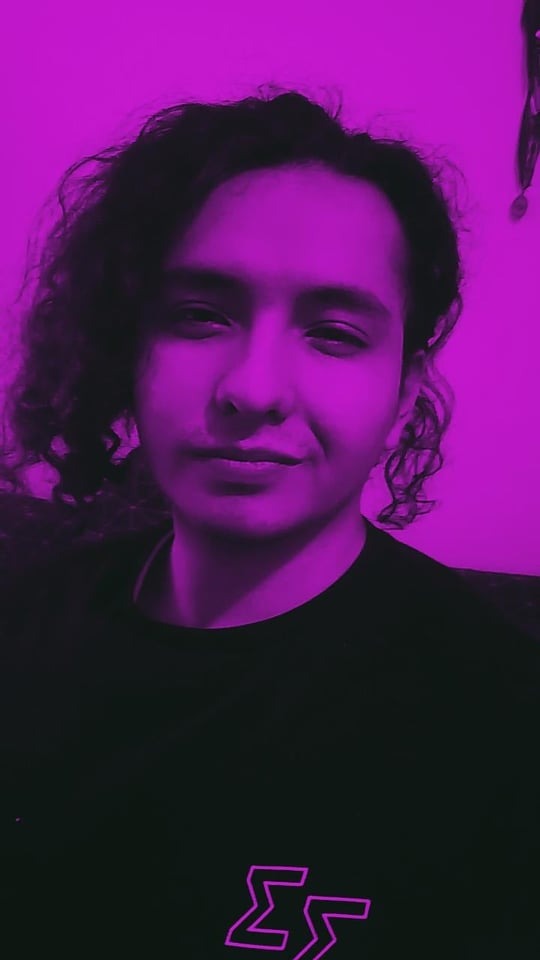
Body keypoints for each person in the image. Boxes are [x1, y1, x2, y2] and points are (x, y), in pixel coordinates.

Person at [0, 87, 538, 958]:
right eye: (199, 317)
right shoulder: (25, 631)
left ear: (405, 394)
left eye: (333, 334)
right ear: (128, 350)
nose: (253, 389)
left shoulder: (504, 723)